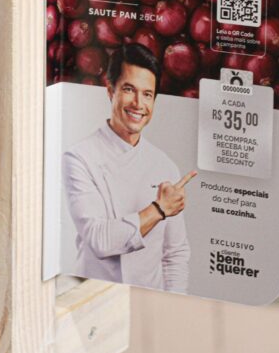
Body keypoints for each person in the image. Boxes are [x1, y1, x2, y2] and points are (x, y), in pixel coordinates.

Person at [63, 44, 195, 293]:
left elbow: (175, 255)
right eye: (129, 89)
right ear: (110, 90)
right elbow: (99, 239)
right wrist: (159, 209)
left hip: (150, 299)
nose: (138, 104)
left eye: (147, 94)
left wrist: (175, 303)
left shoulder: (165, 165)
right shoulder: (79, 157)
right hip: (92, 296)